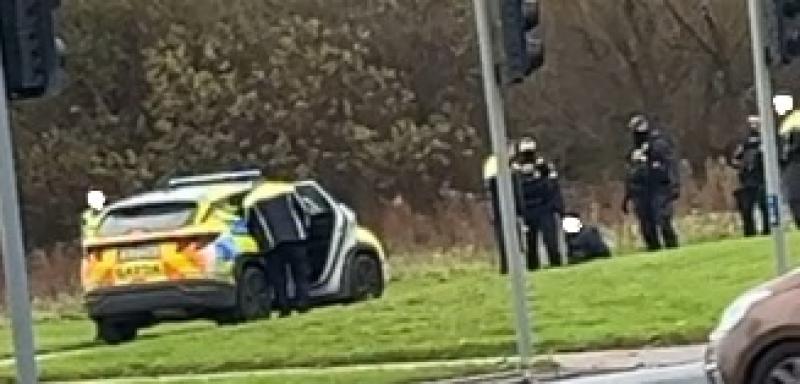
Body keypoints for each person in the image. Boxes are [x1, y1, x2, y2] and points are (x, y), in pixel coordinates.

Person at [244, 187, 312, 317]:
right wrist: (305, 231)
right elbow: (305, 211)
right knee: (301, 273)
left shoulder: (252, 201)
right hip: (295, 239)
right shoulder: (287, 192)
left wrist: (260, 243)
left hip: (272, 244)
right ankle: (303, 303)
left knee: (278, 279)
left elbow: (251, 225)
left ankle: (284, 307)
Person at [622, 114, 680, 251]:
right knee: (646, 225)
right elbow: (630, 173)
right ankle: (654, 250)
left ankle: (672, 248)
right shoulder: (633, 150)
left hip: (659, 187)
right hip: (640, 191)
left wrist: (674, 184)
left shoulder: (658, 143)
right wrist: (627, 195)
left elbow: (670, 164)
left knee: (662, 219)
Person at [512, 137, 565, 270]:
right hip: (528, 211)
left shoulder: (544, 166)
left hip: (545, 208)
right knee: (530, 245)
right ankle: (533, 269)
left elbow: (553, 187)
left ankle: (556, 266)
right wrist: (518, 212)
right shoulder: (515, 170)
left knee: (551, 241)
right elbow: (514, 193)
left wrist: (559, 208)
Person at [729, 116, 769, 237]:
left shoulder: (766, 140)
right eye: (752, 124)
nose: (754, 126)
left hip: (763, 180)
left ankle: (767, 230)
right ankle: (750, 232)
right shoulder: (744, 141)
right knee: (746, 209)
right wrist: (741, 166)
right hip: (747, 181)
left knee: (765, 207)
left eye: (756, 124)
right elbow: (734, 159)